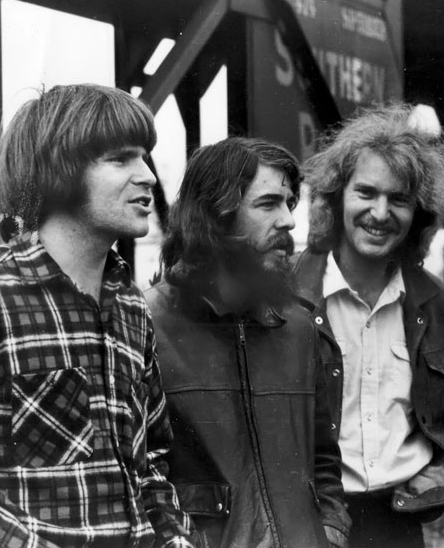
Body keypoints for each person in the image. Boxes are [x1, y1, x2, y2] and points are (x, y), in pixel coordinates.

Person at [0, 84, 197, 548]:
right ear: (61, 171)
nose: (148, 177)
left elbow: (151, 463)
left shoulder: (131, 306)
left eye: (144, 157)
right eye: (121, 159)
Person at [144, 137, 350, 548]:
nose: (289, 222)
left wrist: (332, 531)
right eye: (268, 204)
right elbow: (141, 478)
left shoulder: (299, 326)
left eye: (289, 204)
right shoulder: (147, 323)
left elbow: (324, 461)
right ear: (214, 215)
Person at [291, 103, 444, 548]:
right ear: (336, 196)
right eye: (366, 193)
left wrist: (442, 466)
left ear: (419, 213)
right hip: (307, 520)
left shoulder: (440, 303)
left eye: (399, 199)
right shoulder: (286, 293)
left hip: (399, 524)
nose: (379, 213)